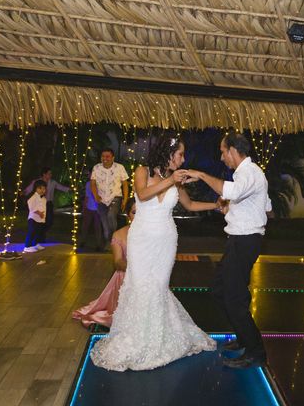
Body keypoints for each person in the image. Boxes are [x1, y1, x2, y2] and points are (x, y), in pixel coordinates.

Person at [90, 135, 217, 371]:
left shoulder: (176, 180)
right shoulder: (142, 171)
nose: (183, 158)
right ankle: (136, 338)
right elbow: (143, 194)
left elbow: (190, 205)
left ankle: (158, 338)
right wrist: (171, 181)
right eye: (180, 154)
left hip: (166, 241)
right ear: (168, 154)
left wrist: (216, 205)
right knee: (139, 285)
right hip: (141, 240)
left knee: (158, 287)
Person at [186, 132, 272, 369]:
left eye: (223, 151)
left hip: (245, 241)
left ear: (233, 150)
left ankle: (256, 352)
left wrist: (202, 175)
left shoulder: (250, 172)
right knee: (220, 290)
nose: (222, 157)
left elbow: (233, 192)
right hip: (240, 239)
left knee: (233, 298)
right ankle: (244, 338)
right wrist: (232, 209)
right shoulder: (248, 174)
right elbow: (265, 205)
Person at [73, 199, 136, 328]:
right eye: (134, 212)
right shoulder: (119, 234)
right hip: (126, 275)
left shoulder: (152, 234)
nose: (139, 216)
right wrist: (136, 270)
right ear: (128, 215)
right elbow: (118, 262)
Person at [91, 149, 130, 248]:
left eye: (107, 156)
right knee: (105, 224)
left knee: (111, 215)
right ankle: (111, 242)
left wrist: (125, 199)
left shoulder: (120, 167)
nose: (105, 158)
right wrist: (95, 195)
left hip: (115, 197)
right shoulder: (96, 168)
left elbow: (125, 184)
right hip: (101, 199)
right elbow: (93, 183)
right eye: (103, 156)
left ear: (113, 158)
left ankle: (113, 237)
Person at [23, 167, 70, 243]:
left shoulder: (52, 182)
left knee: (49, 221)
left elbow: (61, 187)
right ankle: (37, 240)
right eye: (49, 173)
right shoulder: (37, 182)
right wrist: (23, 192)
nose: (50, 175)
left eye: (51, 173)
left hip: (48, 203)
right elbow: (29, 189)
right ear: (44, 174)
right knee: (38, 222)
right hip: (39, 204)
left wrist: (70, 189)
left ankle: (40, 235)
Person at [78, 176, 103, 251]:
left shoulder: (101, 183)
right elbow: (87, 196)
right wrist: (84, 208)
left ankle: (98, 244)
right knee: (85, 226)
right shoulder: (88, 184)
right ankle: (83, 241)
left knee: (97, 227)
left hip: (98, 209)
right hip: (89, 208)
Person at [23, 180, 47, 253]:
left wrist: (43, 215)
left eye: (44, 189)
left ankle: (35, 244)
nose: (42, 190)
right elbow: (31, 206)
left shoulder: (44, 198)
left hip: (40, 219)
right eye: (40, 188)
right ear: (35, 188)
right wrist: (39, 212)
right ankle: (27, 246)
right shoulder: (33, 196)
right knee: (32, 231)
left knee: (38, 232)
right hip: (33, 218)